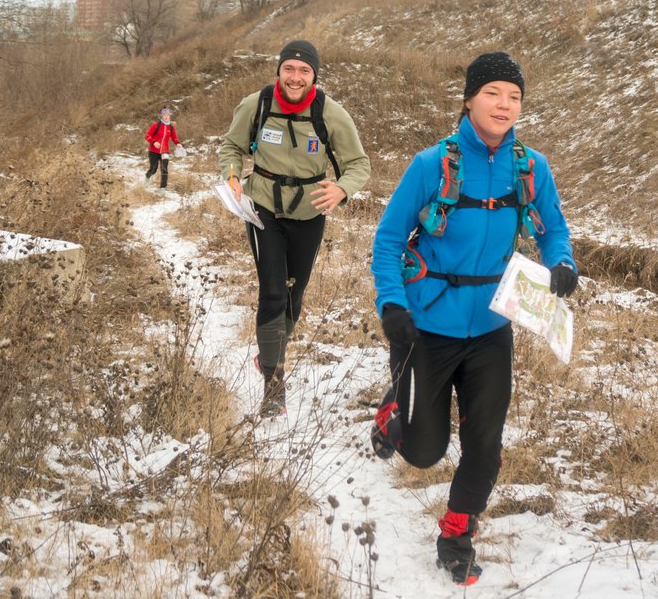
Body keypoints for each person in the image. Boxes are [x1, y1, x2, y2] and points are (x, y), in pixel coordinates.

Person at [369, 52, 578, 586]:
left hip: (491, 327)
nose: (505, 104)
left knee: (485, 441)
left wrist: (562, 263)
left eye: (514, 96)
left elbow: (553, 229)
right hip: (426, 326)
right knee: (422, 451)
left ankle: (457, 531)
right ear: (469, 99)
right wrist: (392, 305)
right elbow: (389, 241)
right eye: (493, 93)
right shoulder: (430, 164)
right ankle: (392, 413)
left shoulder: (531, 167)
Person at [218, 40, 370, 417]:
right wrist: (234, 177)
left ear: (314, 75)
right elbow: (231, 148)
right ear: (279, 71)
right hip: (262, 207)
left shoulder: (331, 114)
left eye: (304, 71)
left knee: (293, 296)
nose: (296, 77)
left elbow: (358, 165)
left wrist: (341, 189)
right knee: (272, 291)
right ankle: (273, 384)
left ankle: (269, 355)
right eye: (290, 69)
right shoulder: (257, 104)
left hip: (309, 211)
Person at [144, 107, 181, 189]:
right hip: (153, 151)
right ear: (162, 116)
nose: (166, 117)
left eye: (168, 115)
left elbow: (174, 137)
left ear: (170, 116)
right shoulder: (156, 125)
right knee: (153, 169)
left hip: (165, 151)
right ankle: (147, 177)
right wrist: (154, 142)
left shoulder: (171, 127)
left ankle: (162, 188)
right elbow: (147, 136)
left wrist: (177, 143)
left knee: (164, 169)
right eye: (164, 115)